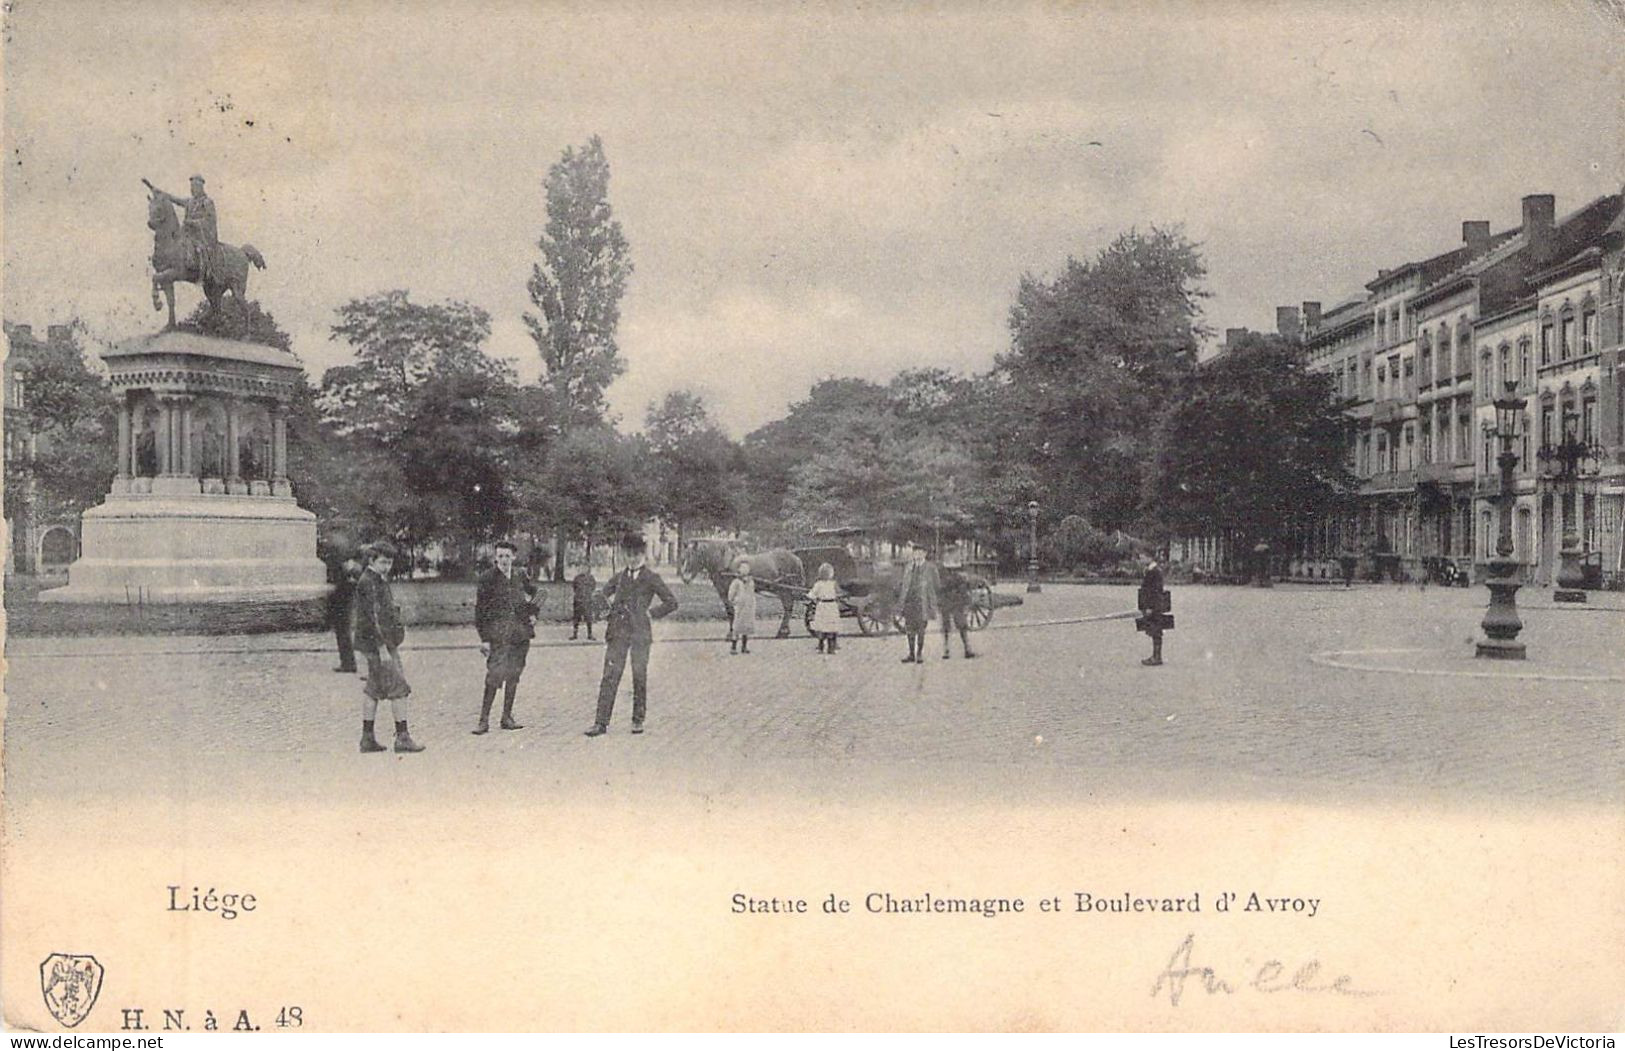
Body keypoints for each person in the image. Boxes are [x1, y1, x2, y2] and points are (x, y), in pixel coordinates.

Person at [585, 534, 679, 737]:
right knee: (610, 676)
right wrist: (599, 605)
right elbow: (601, 596)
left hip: (640, 634)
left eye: (636, 554)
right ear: (623, 555)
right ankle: (601, 722)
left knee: (639, 675)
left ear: (643, 554)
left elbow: (672, 602)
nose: (632, 558)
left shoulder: (652, 578)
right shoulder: (619, 578)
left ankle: (637, 719)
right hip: (617, 633)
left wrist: (651, 613)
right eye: (628, 554)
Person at [350, 542, 424, 753]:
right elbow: (373, 618)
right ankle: (402, 738)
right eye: (383, 562)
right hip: (379, 646)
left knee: (373, 690)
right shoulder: (369, 582)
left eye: (390, 562)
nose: (387, 566)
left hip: (377, 644)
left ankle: (367, 738)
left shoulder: (376, 580)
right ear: (372, 561)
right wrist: (382, 648)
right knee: (399, 688)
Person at [473, 539, 542, 735]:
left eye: (507, 556)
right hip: (498, 636)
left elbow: (538, 593)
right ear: (495, 558)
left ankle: (507, 717)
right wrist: (484, 638)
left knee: (514, 674)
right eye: (500, 556)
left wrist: (533, 614)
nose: (503, 560)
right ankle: (483, 720)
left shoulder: (520, 575)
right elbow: (480, 610)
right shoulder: (487, 578)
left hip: (520, 635)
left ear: (514, 557)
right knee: (494, 675)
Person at [144, 174, 222, 284]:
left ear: (200, 187)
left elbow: (209, 220)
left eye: (194, 187)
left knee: (198, 249)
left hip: (203, 235)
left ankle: (206, 271)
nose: (192, 190)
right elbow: (174, 199)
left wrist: (193, 222)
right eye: (191, 187)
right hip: (188, 233)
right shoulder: (189, 202)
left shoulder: (207, 202)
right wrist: (157, 191)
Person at [897, 544, 940, 664]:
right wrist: (902, 602)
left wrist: (933, 601)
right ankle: (911, 654)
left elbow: (937, 585)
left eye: (920, 552)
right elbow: (904, 586)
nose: (917, 555)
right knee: (909, 629)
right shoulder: (909, 567)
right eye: (915, 552)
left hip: (923, 603)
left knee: (921, 629)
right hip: (909, 602)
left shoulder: (930, 568)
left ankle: (919, 654)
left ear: (925, 554)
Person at [326, 554, 362, 673]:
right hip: (341, 597)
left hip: (344, 598)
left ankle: (348, 664)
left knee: (343, 631)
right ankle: (347, 663)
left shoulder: (350, 564)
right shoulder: (345, 562)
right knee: (342, 631)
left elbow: (350, 579)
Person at [1137, 560, 1171, 667]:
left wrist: (1150, 607)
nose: (1141, 559)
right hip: (1153, 605)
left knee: (1156, 630)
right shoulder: (1151, 570)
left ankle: (1157, 657)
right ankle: (1156, 656)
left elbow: (1155, 591)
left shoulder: (1155, 572)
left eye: (1143, 556)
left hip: (1154, 606)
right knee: (1153, 630)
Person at [938, 565, 976, 660]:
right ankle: (946, 649)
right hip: (946, 600)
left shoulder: (959, 576)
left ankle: (967, 647)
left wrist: (965, 602)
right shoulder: (942, 573)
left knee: (961, 624)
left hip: (956, 601)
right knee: (946, 625)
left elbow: (964, 590)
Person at [809, 562, 842, 654]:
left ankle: (821, 647)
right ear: (831, 574)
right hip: (831, 606)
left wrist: (810, 596)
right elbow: (839, 593)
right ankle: (831, 648)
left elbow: (812, 595)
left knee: (822, 627)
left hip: (822, 606)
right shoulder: (833, 584)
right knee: (831, 626)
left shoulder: (818, 584)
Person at [726, 557, 758, 654]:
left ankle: (744, 647)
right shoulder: (736, 582)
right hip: (739, 607)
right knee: (737, 627)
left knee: (746, 627)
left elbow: (752, 593)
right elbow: (730, 595)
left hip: (748, 606)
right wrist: (734, 601)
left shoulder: (750, 582)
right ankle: (733, 647)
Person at [570, 564, 598, 641]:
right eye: (581, 567)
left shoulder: (591, 578)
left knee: (589, 618)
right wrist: (579, 595)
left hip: (587, 601)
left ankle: (590, 634)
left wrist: (588, 595)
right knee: (576, 618)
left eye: (584, 567)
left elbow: (593, 587)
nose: (583, 569)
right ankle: (575, 634)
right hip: (578, 600)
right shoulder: (577, 578)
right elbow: (574, 587)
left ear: (587, 568)